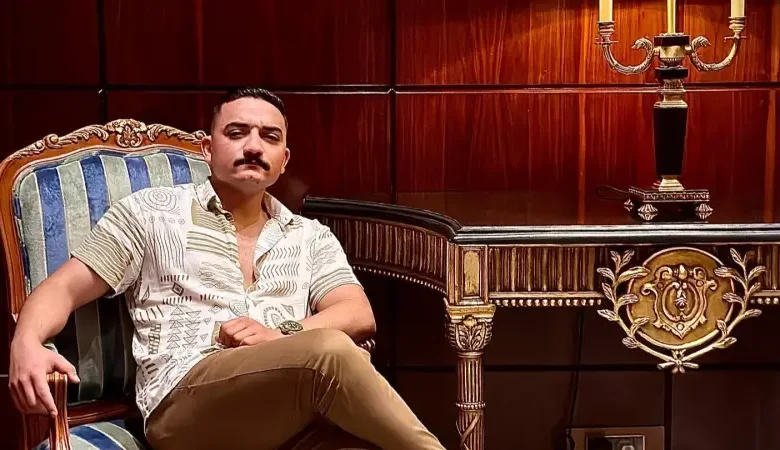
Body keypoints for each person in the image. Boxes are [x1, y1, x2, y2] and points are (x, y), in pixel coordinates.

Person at [9, 87, 444, 450]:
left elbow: (357, 312)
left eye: (269, 137)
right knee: (330, 351)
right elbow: (63, 289)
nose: (253, 146)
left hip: (283, 408)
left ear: (284, 159)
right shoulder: (151, 213)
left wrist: (282, 334)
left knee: (338, 368)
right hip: (183, 405)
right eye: (237, 133)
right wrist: (26, 341)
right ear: (207, 148)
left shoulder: (309, 235)